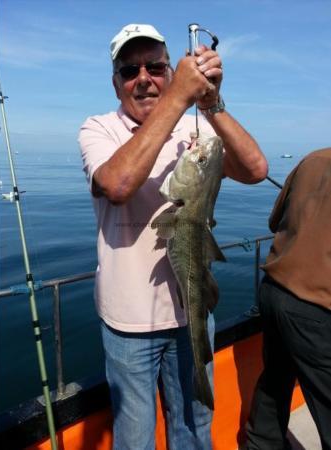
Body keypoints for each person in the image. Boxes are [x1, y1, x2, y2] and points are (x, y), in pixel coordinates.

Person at [79, 23, 268, 450]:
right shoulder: (98, 129)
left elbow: (256, 170)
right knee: (134, 438)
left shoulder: (195, 131)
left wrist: (210, 101)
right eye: (130, 70)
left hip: (193, 315)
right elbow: (118, 184)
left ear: (169, 69)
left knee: (195, 429)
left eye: (155, 67)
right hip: (128, 324)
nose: (143, 79)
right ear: (116, 84)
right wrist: (179, 96)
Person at [245, 148, 331, 450]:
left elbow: (274, 222)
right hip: (319, 306)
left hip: (274, 291)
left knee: (275, 382)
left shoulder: (313, 159)